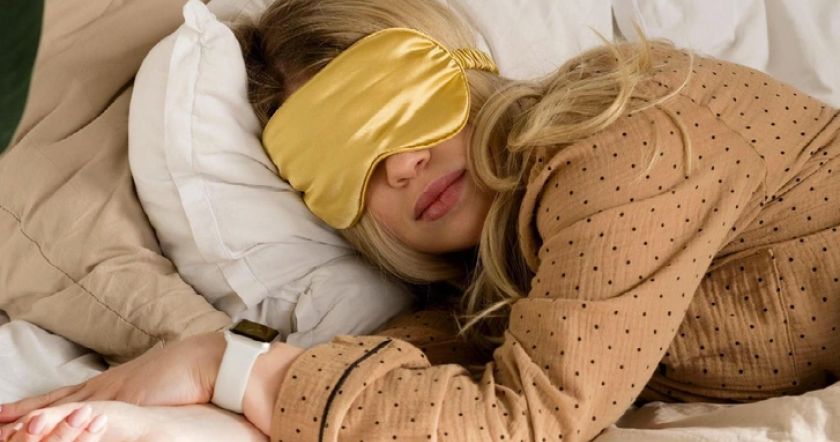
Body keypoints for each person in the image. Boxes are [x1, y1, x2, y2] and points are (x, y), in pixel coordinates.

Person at [2, 0, 840, 440]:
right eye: (348, 165)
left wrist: (223, 362)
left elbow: (526, 423)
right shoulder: (497, 293)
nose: (400, 165)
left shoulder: (622, 143)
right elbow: (380, 395)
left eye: (399, 107)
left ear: (459, 67)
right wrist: (197, 413)